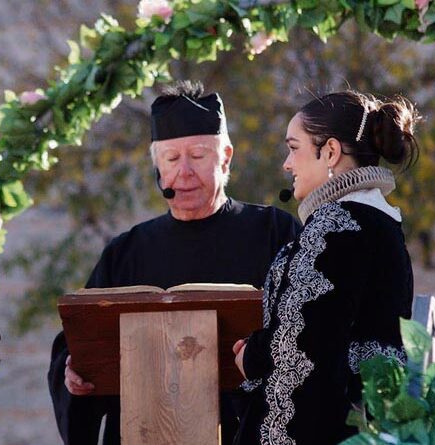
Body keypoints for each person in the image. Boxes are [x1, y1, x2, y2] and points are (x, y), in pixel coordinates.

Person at [47, 80, 301, 444]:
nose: (184, 172)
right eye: (171, 159)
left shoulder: (274, 232)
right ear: (157, 167)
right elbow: (77, 343)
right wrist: (75, 374)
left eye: (198, 156)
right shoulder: (127, 251)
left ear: (225, 157)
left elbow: (307, 330)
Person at [232, 91, 419, 445]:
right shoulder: (381, 222)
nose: (287, 164)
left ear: (330, 152)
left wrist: (252, 357)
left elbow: (303, 336)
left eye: (294, 148)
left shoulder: (335, 223)